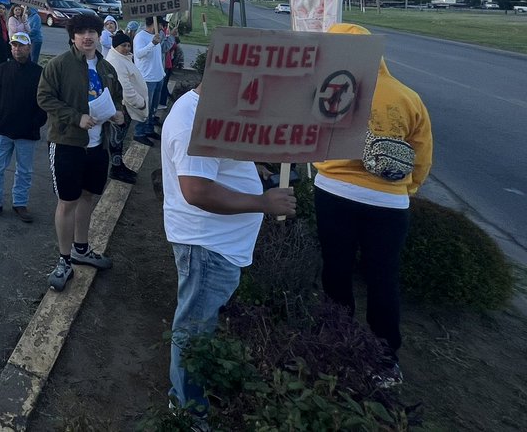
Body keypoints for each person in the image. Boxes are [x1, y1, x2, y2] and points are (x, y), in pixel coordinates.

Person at [160, 83, 296, 412]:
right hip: (206, 246)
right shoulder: (193, 119)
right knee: (195, 331)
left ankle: (191, 395)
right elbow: (197, 189)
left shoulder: (215, 110)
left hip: (215, 245)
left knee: (200, 326)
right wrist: (262, 202)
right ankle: (187, 410)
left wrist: (253, 166)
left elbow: (218, 162)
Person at [313, 22, 433, 386]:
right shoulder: (407, 97)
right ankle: (384, 360)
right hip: (389, 202)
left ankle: (336, 341)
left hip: (333, 191)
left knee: (336, 270)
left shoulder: (326, 90)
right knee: (383, 278)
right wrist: (406, 190)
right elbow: (422, 155)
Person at [36, 11, 124, 292]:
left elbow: (117, 95)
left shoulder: (106, 68)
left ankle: (81, 249)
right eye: (81, 32)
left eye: (92, 32)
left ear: (100, 36)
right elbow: (44, 98)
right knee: (68, 201)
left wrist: (118, 114)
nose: (87, 37)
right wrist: (76, 117)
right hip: (67, 143)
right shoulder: (59, 65)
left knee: (88, 197)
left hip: (97, 145)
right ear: (72, 37)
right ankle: (64, 260)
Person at [0, 33, 46, 223]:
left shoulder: (39, 72)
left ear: (29, 48)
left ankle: (20, 203)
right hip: (3, 129)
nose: (17, 49)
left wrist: (36, 122)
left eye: (21, 46)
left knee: (24, 170)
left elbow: (45, 101)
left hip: (27, 131)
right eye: (14, 45)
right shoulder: (2, 69)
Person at [103, 30, 149, 184]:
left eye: (129, 45)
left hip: (123, 106)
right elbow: (126, 89)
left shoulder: (123, 58)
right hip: (122, 107)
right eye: (124, 45)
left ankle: (118, 165)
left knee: (119, 139)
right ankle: (116, 169)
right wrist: (140, 103)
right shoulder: (117, 62)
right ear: (115, 46)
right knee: (116, 139)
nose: (128, 48)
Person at [132, 17, 166, 145]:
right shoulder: (141, 37)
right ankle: (139, 133)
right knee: (145, 107)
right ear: (155, 24)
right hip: (147, 78)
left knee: (153, 108)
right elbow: (139, 54)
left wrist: (161, 73)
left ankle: (149, 129)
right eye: (161, 25)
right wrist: (152, 44)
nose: (163, 28)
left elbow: (157, 57)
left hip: (158, 77)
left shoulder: (157, 36)